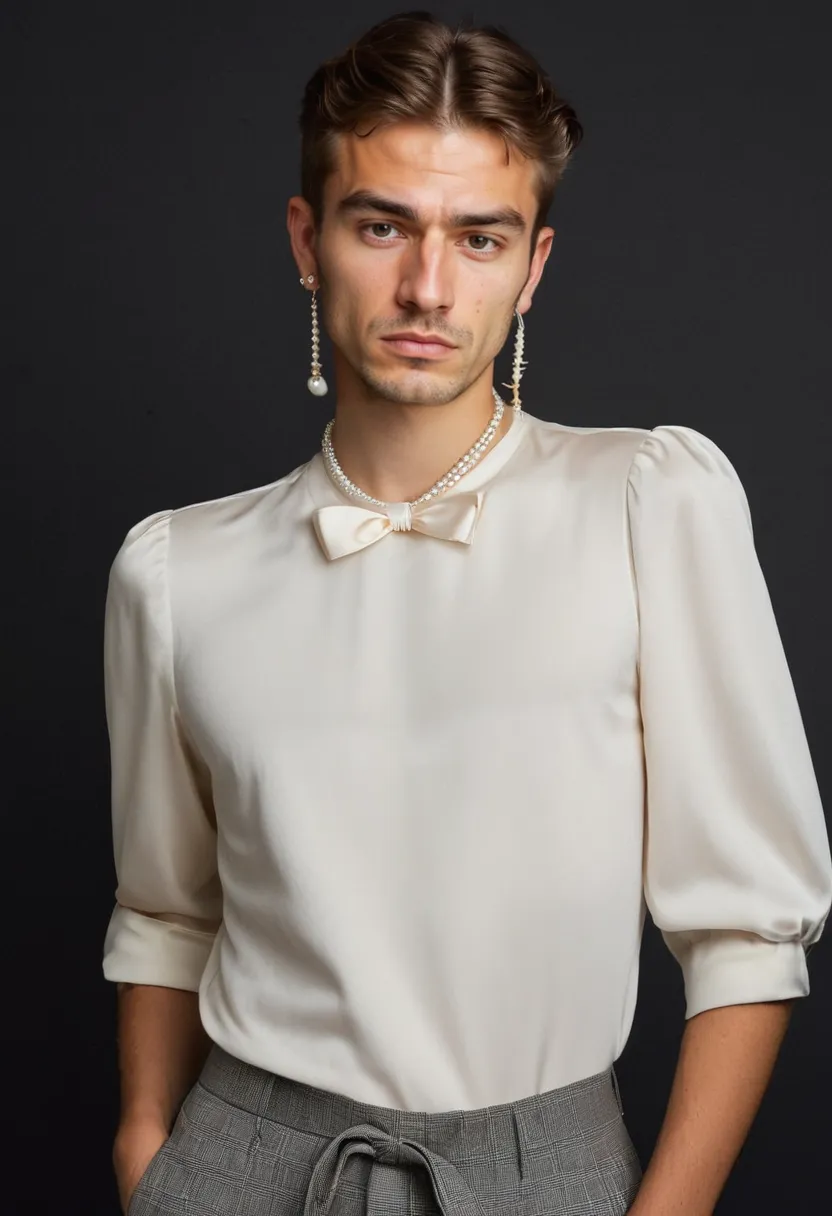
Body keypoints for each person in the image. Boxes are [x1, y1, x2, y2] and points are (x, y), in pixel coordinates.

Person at [102, 12, 832, 1216]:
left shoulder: (648, 501)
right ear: (307, 239)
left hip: (547, 1169)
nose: (426, 286)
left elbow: (749, 930)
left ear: (533, 264)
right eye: (380, 223)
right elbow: (166, 908)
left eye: (477, 237)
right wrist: (145, 1148)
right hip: (238, 1163)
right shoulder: (175, 571)